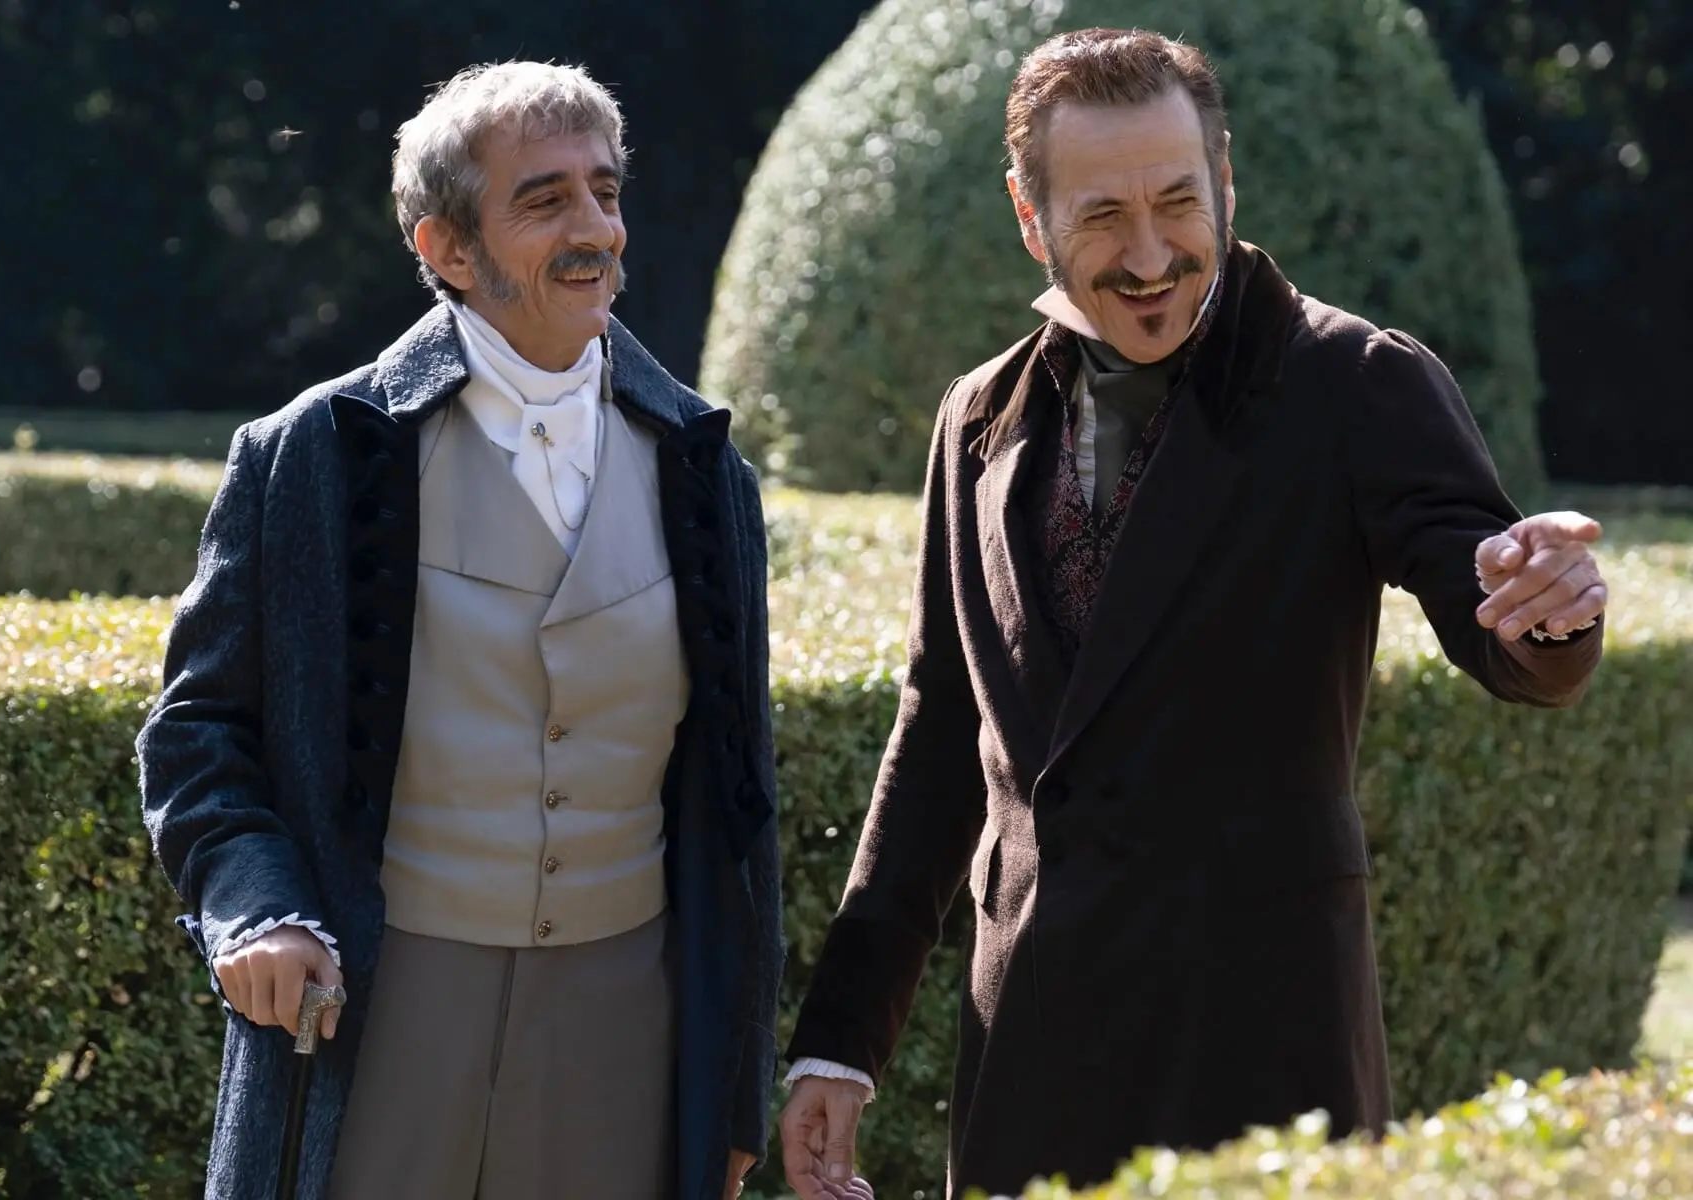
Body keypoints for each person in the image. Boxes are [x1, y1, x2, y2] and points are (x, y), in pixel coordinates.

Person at [777, 28, 1607, 1200]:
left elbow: (1496, 608)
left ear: (1225, 181)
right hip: (1029, 1063)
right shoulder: (975, 420)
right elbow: (941, 734)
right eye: (1103, 216)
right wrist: (841, 1040)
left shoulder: (1354, 381)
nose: (1150, 254)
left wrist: (1544, 610)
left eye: (1178, 201)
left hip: (1263, 1055)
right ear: (1030, 217)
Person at [137, 61, 781, 1200]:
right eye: (545, 200)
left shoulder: (704, 465)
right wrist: (256, 910)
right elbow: (197, 735)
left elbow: (742, 803)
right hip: (379, 1013)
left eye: (605, 191)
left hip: (623, 1023)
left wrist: (733, 1089)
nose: (594, 230)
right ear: (447, 249)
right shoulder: (310, 457)